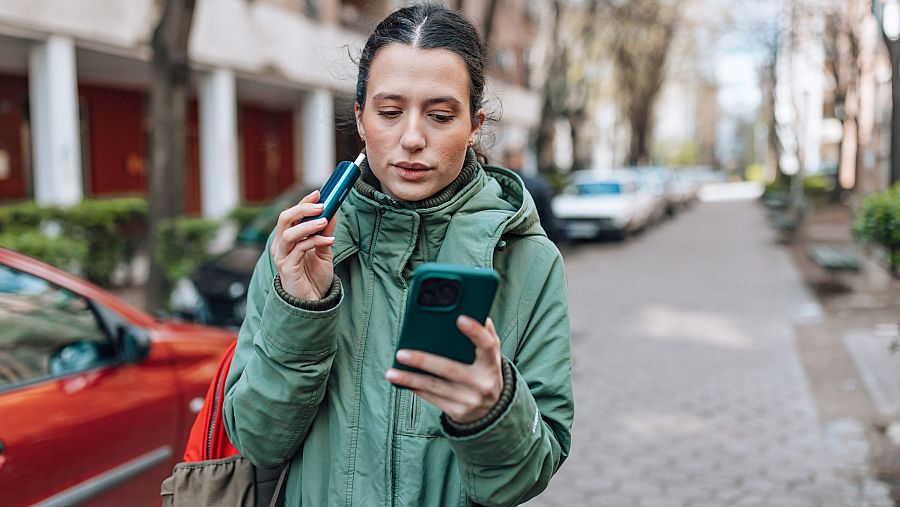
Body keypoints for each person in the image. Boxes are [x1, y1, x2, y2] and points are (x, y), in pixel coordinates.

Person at [222, 4, 574, 506]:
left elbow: (525, 476)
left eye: (440, 115)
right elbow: (257, 439)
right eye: (389, 112)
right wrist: (301, 310)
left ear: (474, 125)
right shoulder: (301, 248)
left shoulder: (529, 261)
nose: (412, 139)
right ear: (361, 118)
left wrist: (492, 411)